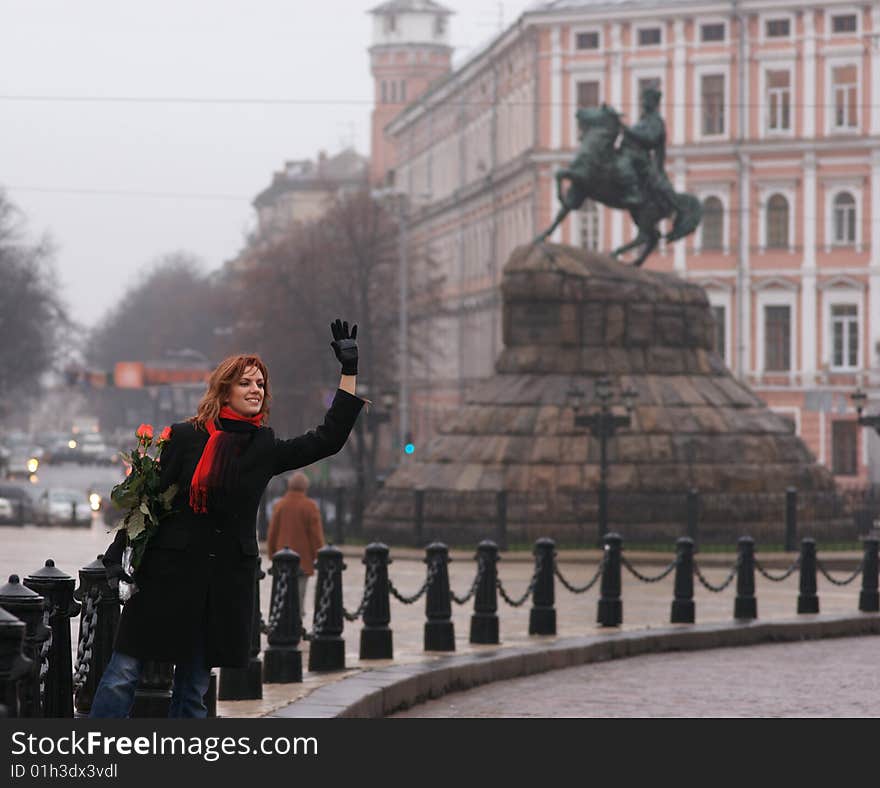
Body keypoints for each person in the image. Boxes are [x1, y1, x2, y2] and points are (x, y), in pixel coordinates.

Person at [89, 318, 364, 718]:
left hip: (218, 588)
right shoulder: (186, 437)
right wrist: (115, 556)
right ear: (224, 390)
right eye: (246, 383)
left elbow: (328, 438)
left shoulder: (264, 446)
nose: (256, 390)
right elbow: (150, 503)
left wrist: (349, 373)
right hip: (166, 577)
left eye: (261, 384)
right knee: (123, 675)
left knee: (193, 691)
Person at [266, 471, 324, 617]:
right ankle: (296, 628)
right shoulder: (310, 507)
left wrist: (272, 554)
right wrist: (320, 555)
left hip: (282, 560)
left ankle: (282, 622)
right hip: (302, 562)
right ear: (306, 487)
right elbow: (315, 535)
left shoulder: (280, 505)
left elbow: (272, 532)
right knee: (299, 597)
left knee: (282, 595)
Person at [619, 86, 677, 212]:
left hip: (646, 160)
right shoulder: (643, 120)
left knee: (624, 165)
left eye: (646, 100)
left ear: (653, 103)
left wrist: (628, 130)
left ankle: (632, 192)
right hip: (634, 154)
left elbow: (650, 138)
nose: (643, 102)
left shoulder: (656, 121)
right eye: (643, 100)